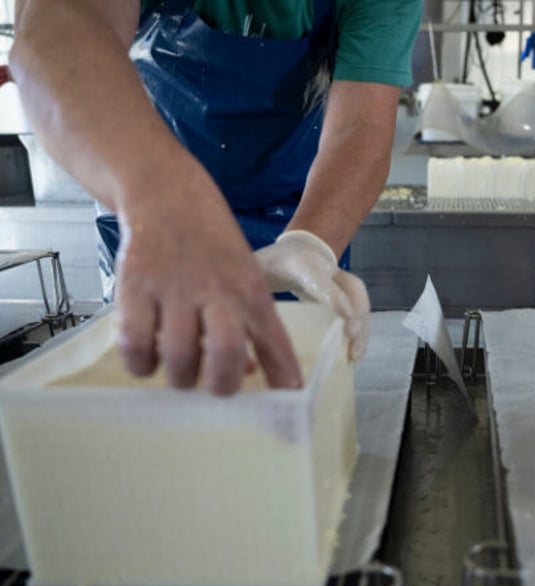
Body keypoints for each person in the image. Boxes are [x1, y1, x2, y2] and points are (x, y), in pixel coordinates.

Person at [10, 0, 422, 394]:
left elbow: (361, 126)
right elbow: (59, 31)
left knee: (290, 396)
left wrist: (310, 242)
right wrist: (162, 203)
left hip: (298, 216)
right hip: (149, 199)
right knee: (159, 397)